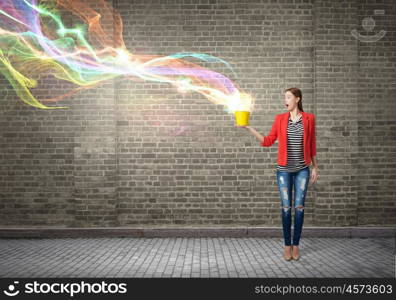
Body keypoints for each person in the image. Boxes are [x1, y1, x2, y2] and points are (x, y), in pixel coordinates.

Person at [237, 87, 318, 261]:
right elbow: (267, 141)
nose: (285, 100)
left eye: (288, 97)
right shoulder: (280, 119)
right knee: (286, 208)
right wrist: (248, 127)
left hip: (302, 169)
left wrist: (315, 167)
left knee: (299, 208)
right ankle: (287, 246)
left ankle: (296, 245)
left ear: (297, 99)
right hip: (284, 170)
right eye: (284, 97)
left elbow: (311, 144)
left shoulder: (309, 119)